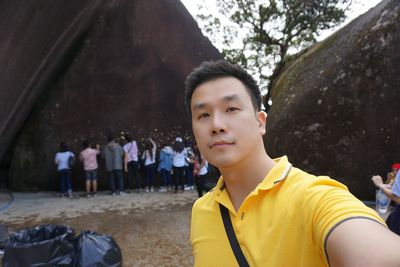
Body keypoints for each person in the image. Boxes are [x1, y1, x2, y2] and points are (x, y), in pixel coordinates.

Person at [185, 60, 400, 266]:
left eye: (231, 109)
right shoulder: (201, 211)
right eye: (203, 115)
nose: (217, 125)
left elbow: (372, 249)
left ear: (260, 122)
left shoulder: (314, 198)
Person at [372, 164, 400, 235]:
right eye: (394, 170)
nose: (395, 172)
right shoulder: (392, 177)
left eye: (397, 170)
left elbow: (397, 197)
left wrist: (380, 185)